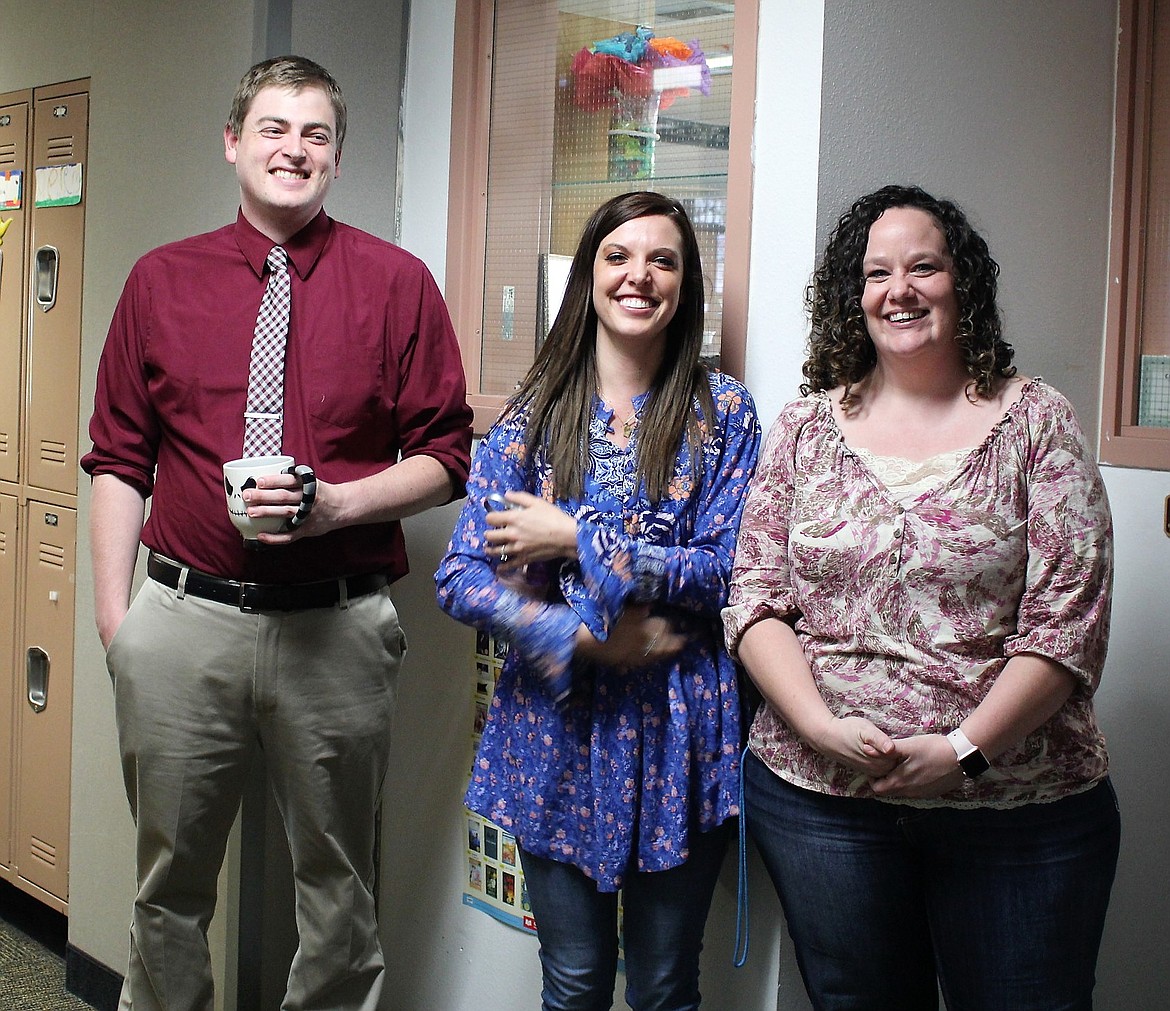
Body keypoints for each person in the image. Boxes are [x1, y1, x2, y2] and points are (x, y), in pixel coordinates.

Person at [82, 56, 472, 1010]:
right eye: (273, 127)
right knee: (167, 887)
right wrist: (114, 623)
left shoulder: (398, 283)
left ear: (337, 159)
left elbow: (448, 454)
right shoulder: (160, 280)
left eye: (316, 134)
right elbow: (118, 457)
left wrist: (335, 505)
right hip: (181, 618)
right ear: (233, 143)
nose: (293, 149)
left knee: (339, 894)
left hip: (335, 626)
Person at [723, 184, 1119, 1010]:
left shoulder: (1039, 424)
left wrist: (965, 749)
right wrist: (820, 727)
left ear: (961, 284)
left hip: (1018, 810)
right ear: (853, 296)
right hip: (821, 808)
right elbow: (754, 599)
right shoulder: (803, 429)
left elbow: (1065, 629)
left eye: (923, 267)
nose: (898, 289)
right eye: (876, 273)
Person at [435, 191, 760, 1011]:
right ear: (589, 275)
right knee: (574, 983)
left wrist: (576, 540)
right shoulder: (534, 418)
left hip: (681, 730)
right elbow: (460, 577)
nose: (639, 275)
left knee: (663, 987)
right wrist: (582, 638)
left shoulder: (725, 415)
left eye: (663, 259)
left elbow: (727, 572)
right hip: (556, 729)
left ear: (685, 284)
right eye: (618, 256)